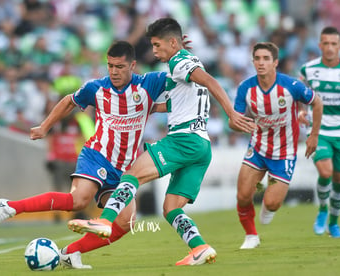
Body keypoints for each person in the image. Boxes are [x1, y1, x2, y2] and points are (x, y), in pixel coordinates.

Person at [67, 18, 255, 266]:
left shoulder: (179, 61)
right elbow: (185, 87)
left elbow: (210, 81)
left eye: (157, 45)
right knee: (171, 208)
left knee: (132, 175)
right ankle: (199, 247)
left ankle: (104, 220)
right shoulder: (187, 59)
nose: (154, 51)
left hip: (183, 139)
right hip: (202, 146)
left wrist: (231, 112)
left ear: (172, 43)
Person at [0, 41, 169, 269]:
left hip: (125, 169)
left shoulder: (149, 84)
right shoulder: (97, 88)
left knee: (126, 222)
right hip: (97, 155)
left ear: (133, 65)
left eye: (120, 67)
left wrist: (179, 51)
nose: (113, 71)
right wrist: (45, 127)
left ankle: (70, 253)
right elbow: (68, 101)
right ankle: (10, 206)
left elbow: (181, 80)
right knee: (79, 200)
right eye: (110, 66)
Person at [233, 42, 323, 249]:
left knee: (272, 203)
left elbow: (318, 103)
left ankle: (268, 208)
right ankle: (251, 236)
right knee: (243, 195)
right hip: (257, 148)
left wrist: (314, 136)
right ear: (253, 61)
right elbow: (234, 120)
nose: (261, 63)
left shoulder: (290, 86)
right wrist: (240, 124)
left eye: (266, 59)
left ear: (275, 62)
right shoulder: (245, 88)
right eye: (257, 59)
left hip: (284, 152)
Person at [299, 26, 340, 238]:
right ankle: (322, 210)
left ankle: (334, 222)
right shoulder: (308, 70)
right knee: (325, 172)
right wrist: (301, 112)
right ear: (320, 45)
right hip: (319, 129)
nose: (329, 48)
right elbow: (298, 95)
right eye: (325, 43)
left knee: (339, 179)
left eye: (333, 44)